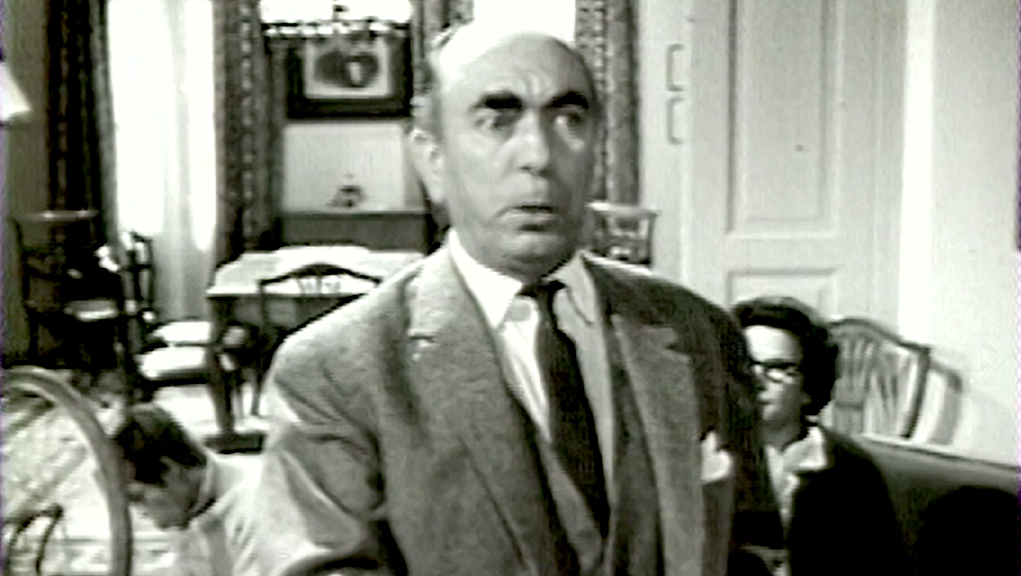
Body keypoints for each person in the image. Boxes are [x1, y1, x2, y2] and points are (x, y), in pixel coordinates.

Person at [253, 22, 770, 576]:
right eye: (497, 120)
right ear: (432, 160)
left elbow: (753, 549)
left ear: (597, 148)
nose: (539, 155)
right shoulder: (334, 370)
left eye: (569, 119)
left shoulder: (697, 331)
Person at [731, 297, 905, 576]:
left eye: (777, 368)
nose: (756, 380)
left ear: (809, 386)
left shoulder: (850, 469)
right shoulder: (702, 456)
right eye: (745, 365)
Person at [111, 404, 261, 576]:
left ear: (170, 470)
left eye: (138, 498)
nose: (141, 514)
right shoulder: (189, 501)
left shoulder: (255, 508)